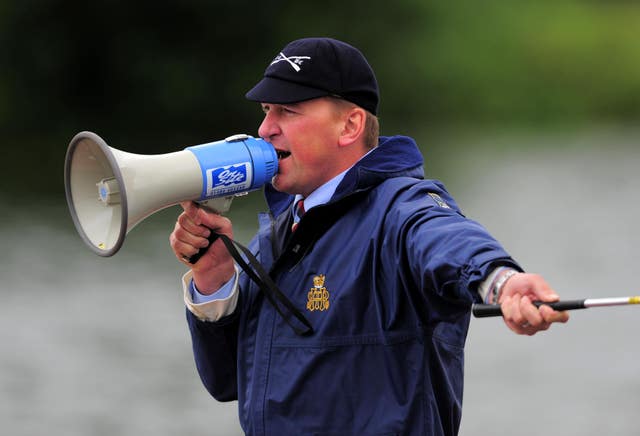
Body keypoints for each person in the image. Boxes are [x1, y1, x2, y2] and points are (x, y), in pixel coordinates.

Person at [169, 37, 569, 435]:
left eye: (287, 111)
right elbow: (227, 384)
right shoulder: (275, 237)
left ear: (350, 125)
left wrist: (502, 281)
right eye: (266, 110)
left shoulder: (401, 208)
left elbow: (445, 238)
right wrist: (216, 281)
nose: (265, 128)